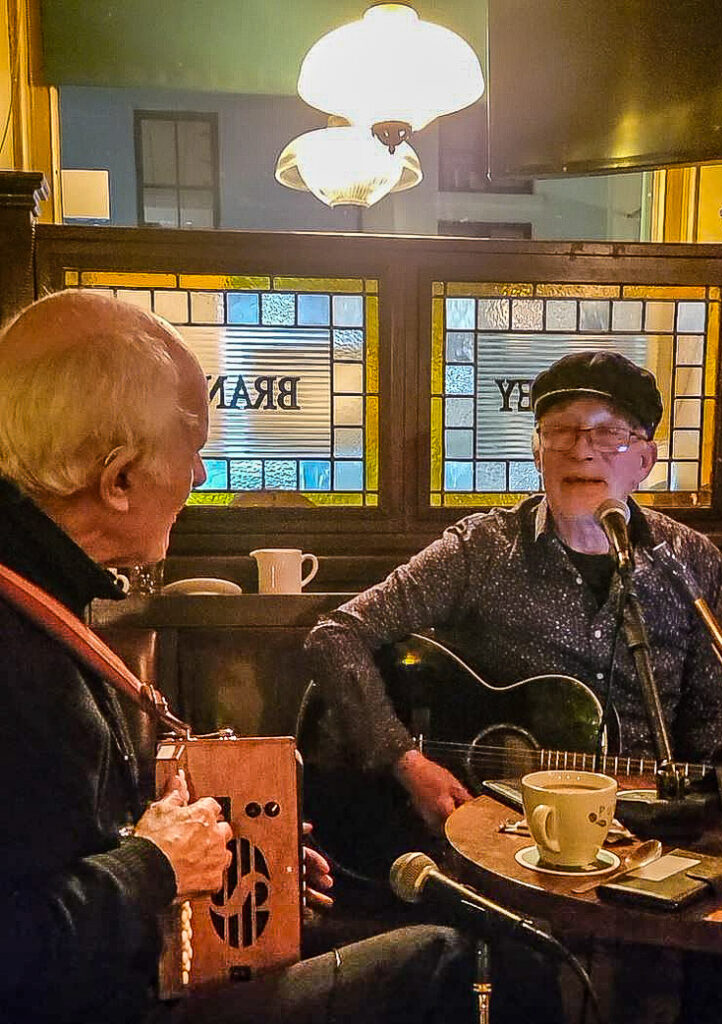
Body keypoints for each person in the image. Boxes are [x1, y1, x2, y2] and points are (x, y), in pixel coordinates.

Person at [0, 290, 471, 1024]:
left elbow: (47, 841)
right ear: (119, 479)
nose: (199, 482)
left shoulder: (39, 591)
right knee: (438, 958)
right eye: (194, 460)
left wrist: (237, 858)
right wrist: (154, 866)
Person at [306, 350, 722, 837]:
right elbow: (334, 634)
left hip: (647, 832)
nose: (582, 450)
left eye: (608, 434)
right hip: (500, 836)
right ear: (537, 451)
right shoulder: (482, 549)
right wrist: (405, 760)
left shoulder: (689, 559)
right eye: (562, 431)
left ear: (644, 459)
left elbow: (714, 730)